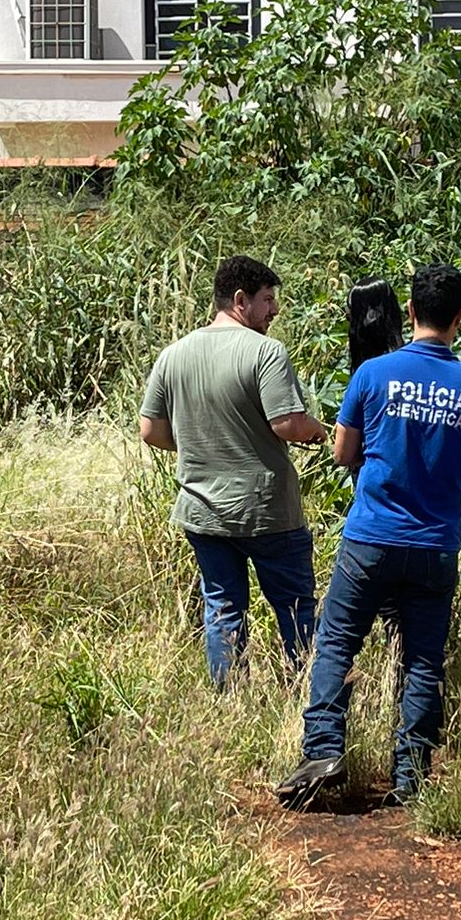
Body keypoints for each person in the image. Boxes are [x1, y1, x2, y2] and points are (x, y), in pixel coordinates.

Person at [277, 264, 461, 808]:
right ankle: (411, 777)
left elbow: (342, 453)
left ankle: (325, 749)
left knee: (336, 642)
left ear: (410, 311)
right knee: (423, 658)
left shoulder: (372, 375)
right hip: (434, 545)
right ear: (460, 317)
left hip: (370, 538)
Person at [139, 255, 327, 687]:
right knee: (295, 605)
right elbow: (287, 423)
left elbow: (150, 430)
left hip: (203, 510)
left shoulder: (174, 354)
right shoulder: (265, 352)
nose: (274, 310)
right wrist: (319, 431)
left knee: (222, 605)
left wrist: (197, 444)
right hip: (266, 510)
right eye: (267, 299)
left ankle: (231, 697)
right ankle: (310, 694)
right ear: (240, 300)